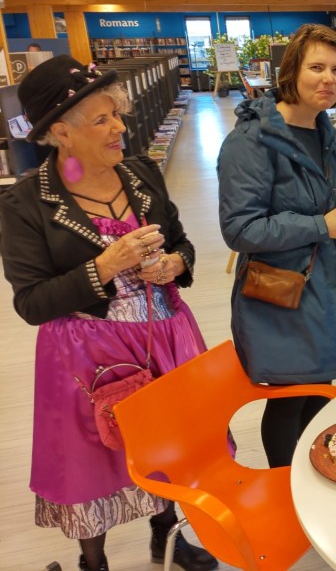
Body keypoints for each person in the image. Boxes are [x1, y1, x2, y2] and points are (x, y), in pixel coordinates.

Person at [0, 56, 217, 571]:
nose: (120, 126)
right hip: (85, 356)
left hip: (165, 337)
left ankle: (166, 537)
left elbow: (182, 243)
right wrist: (104, 266)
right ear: (61, 132)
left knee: (167, 445)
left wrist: (174, 264)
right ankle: (93, 561)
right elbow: (31, 302)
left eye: (116, 113)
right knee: (92, 461)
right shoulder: (26, 203)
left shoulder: (141, 173)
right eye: (102, 119)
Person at [217, 24, 336, 468]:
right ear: (291, 72)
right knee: (288, 401)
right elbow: (240, 229)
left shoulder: (324, 130)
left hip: (324, 289)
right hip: (279, 297)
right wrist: (321, 225)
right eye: (316, 67)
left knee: (318, 397)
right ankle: (286, 488)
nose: (329, 79)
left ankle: (314, 480)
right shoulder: (252, 140)